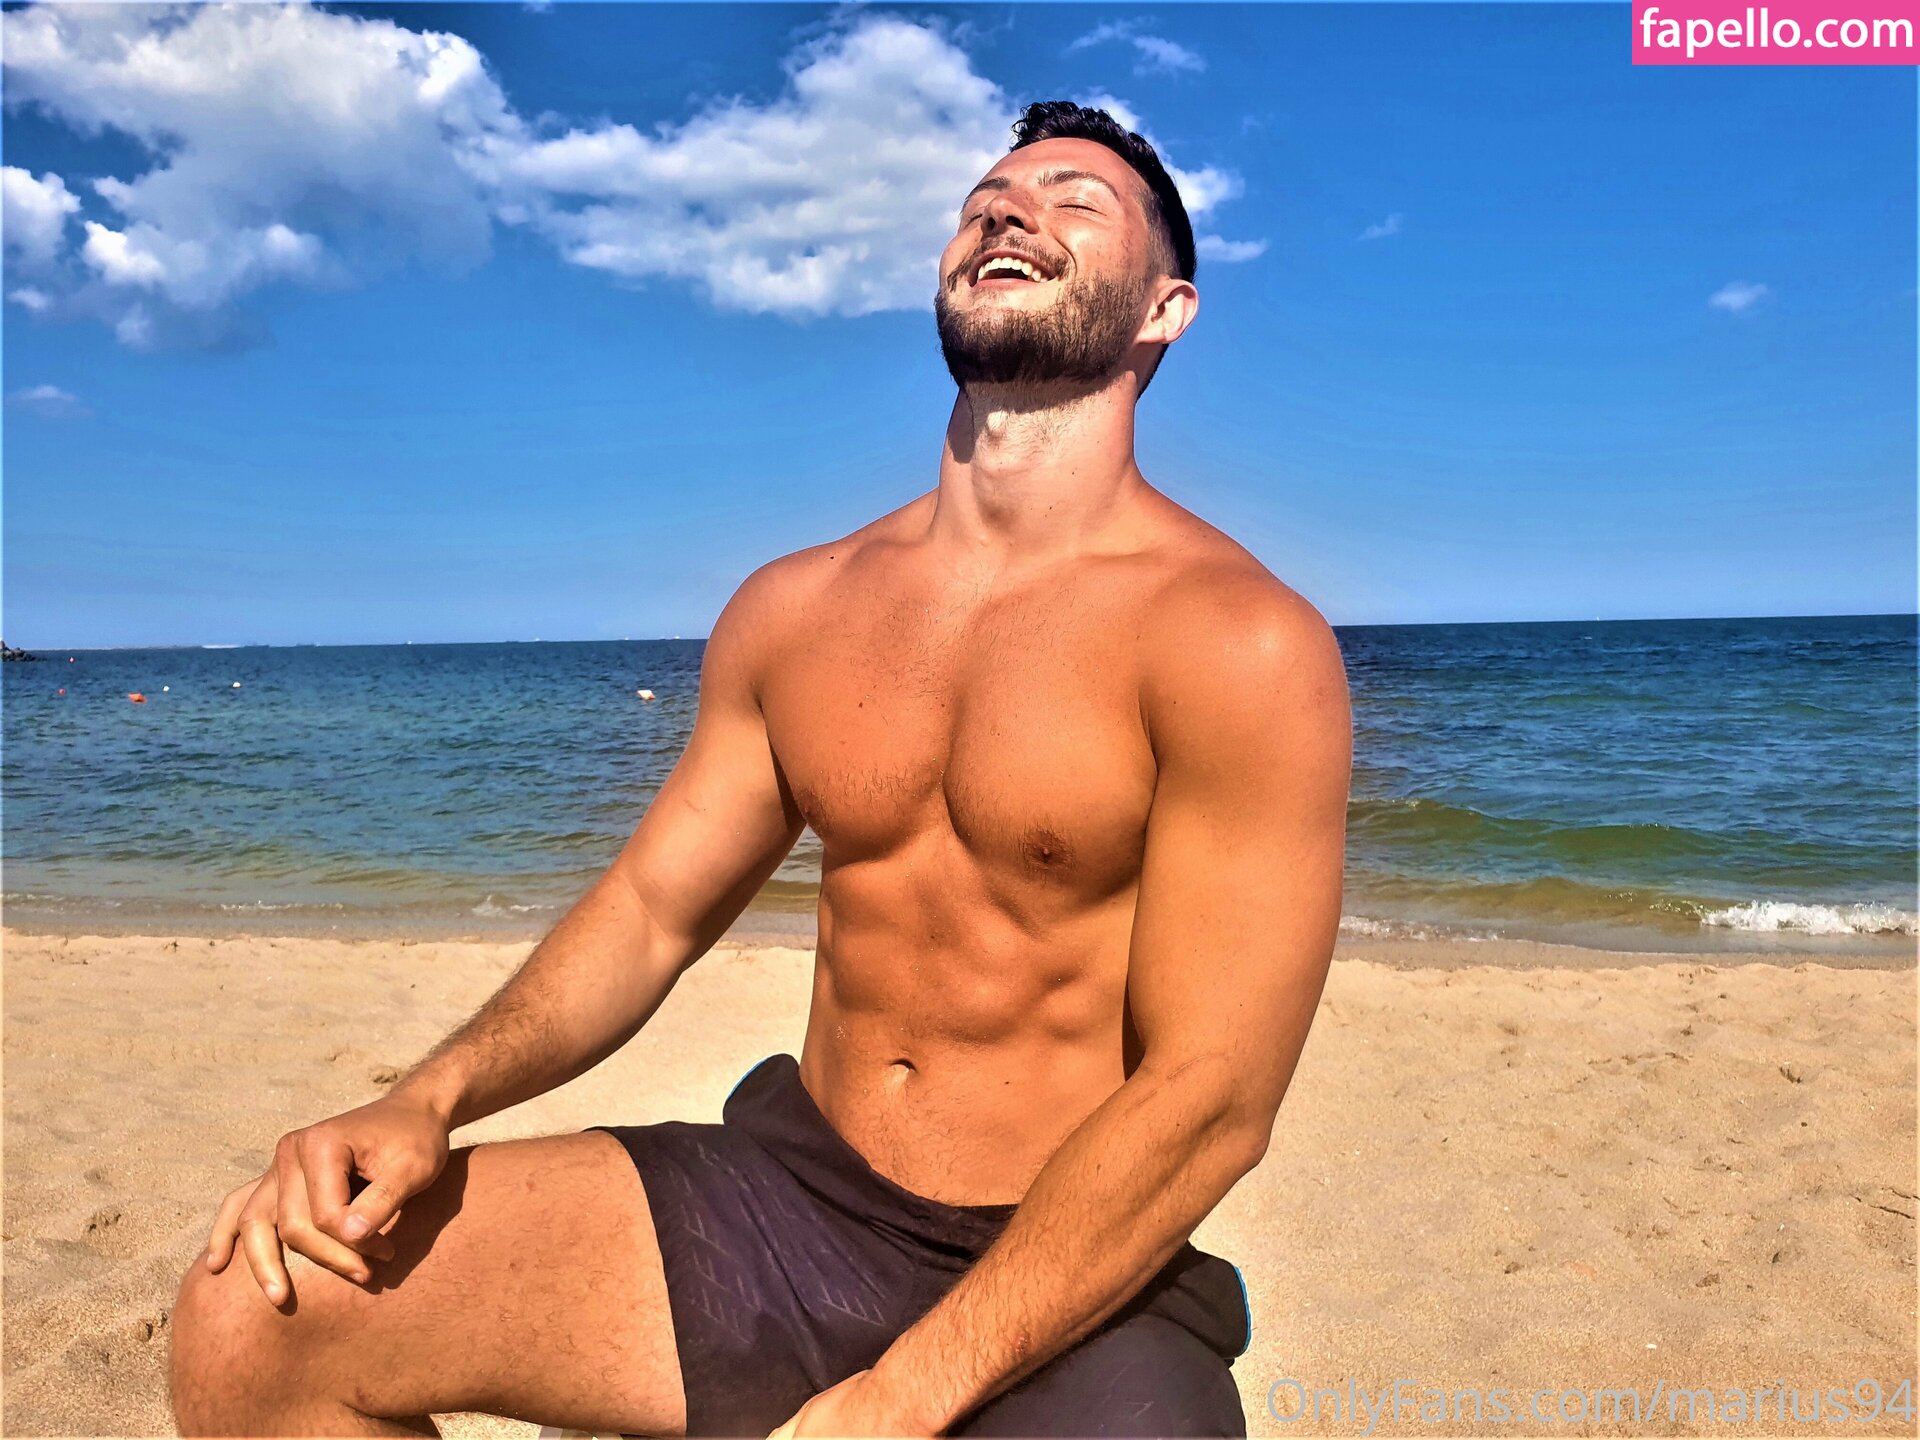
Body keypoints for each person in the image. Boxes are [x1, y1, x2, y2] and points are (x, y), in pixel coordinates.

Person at [168, 99, 1352, 1439]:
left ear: (1165, 311)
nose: (1011, 211)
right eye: (988, 199)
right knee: (256, 1311)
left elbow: (1210, 1098)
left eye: (1077, 200)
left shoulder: (1237, 639)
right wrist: (427, 1097)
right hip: (795, 1203)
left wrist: (900, 1399)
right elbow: (651, 912)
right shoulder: (799, 610)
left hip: (1073, 1259)